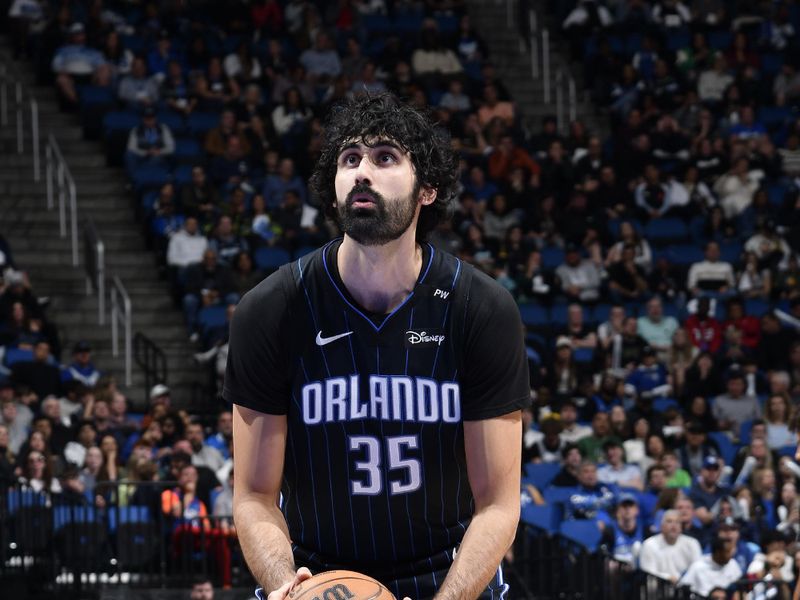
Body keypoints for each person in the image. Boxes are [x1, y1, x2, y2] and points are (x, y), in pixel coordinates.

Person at [226, 93, 530, 600]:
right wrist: (286, 584)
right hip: (316, 578)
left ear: (427, 189)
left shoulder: (480, 309)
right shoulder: (272, 308)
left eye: (384, 157)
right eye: (350, 159)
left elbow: (498, 503)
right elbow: (254, 495)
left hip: (447, 575)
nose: (361, 171)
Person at [639, 510, 702, 583]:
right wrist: (668, 578)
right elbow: (648, 573)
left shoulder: (692, 543)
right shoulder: (649, 544)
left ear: (681, 527)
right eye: (669, 521)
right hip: (659, 589)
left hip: (685, 588)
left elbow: (697, 570)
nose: (674, 525)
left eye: (677, 522)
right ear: (661, 526)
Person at [678, 536, 743, 597]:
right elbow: (682, 588)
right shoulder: (698, 566)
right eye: (727, 552)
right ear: (718, 553)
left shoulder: (732, 564)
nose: (730, 555)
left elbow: (740, 587)